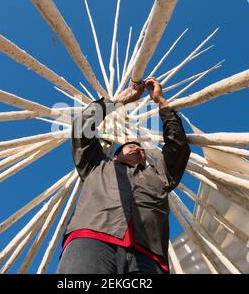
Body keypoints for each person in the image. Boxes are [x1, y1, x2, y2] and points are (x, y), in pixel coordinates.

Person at [56, 77, 191, 274]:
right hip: (92, 240)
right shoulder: (97, 166)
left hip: (147, 254)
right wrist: (122, 99)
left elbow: (178, 147)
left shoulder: (159, 176)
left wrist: (161, 102)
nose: (137, 149)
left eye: (141, 148)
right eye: (130, 146)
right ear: (116, 155)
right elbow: (82, 128)